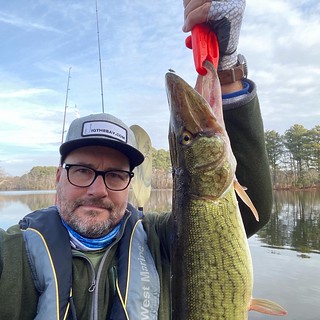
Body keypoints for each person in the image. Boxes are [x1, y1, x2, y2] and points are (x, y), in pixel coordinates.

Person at [0, 0, 273, 319]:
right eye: (83, 171)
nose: (97, 189)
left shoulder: (163, 239)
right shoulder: (11, 254)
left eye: (115, 174)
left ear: (130, 182)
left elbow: (250, 212)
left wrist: (225, 69)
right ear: (58, 176)